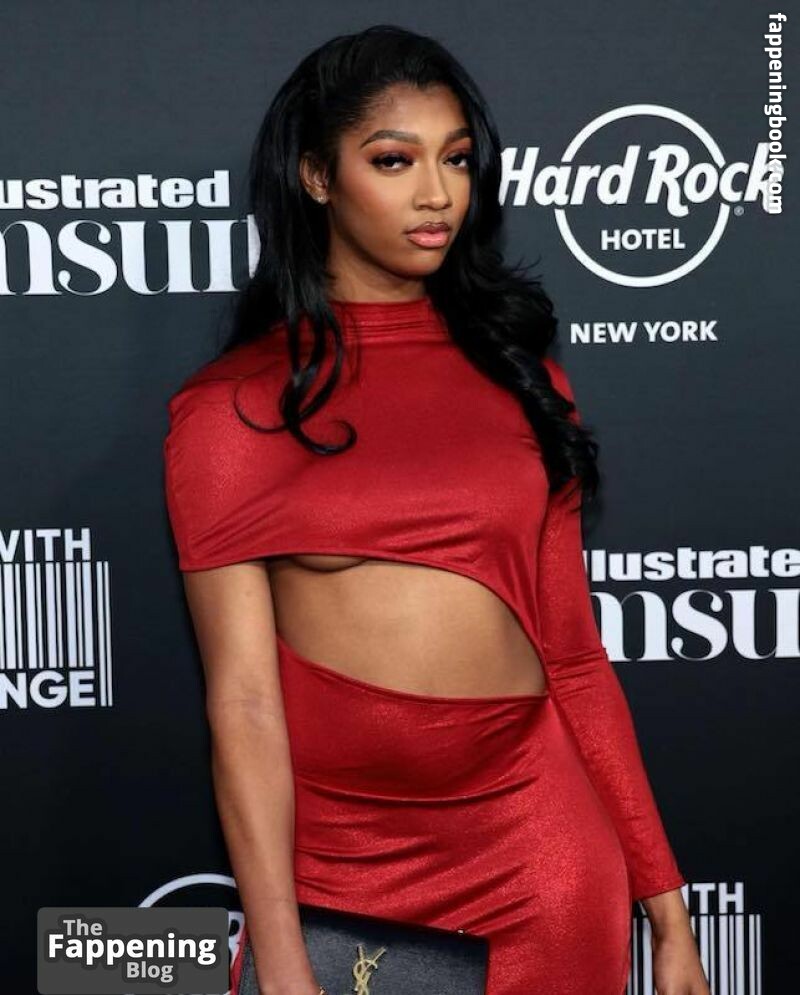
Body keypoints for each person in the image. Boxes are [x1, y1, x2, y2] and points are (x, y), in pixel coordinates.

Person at [163, 24, 710, 995]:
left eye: (455, 159)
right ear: (316, 176)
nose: (435, 194)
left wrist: (668, 913)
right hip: (345, 867)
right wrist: (281, 960)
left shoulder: (521, 379)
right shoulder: (230, 411)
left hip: (541, 844)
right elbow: (243, 703)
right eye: (393, 160)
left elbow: (574, 657)